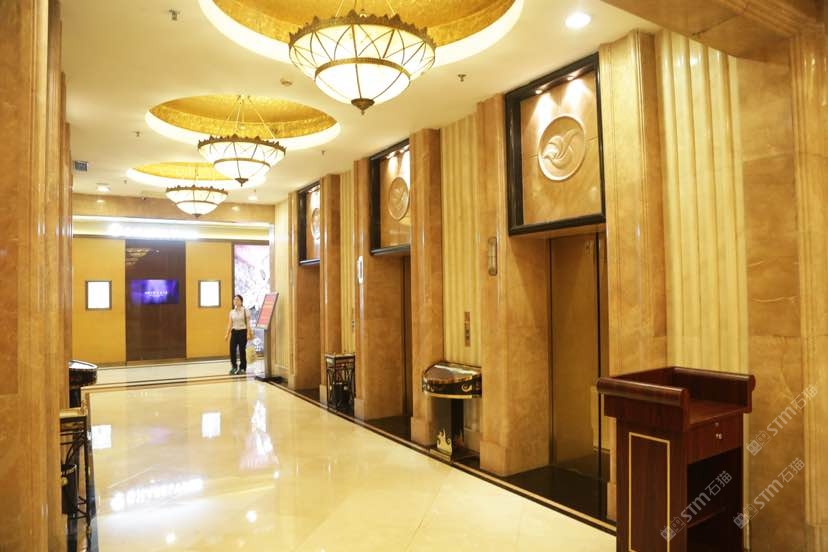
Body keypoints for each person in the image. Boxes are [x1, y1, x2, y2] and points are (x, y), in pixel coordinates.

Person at [225, 294, 252, 375]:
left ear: (241, 301)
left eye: (237, 299)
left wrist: (248, 333)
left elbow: (248, 324)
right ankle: (234, 367)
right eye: (234, 300)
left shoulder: (245, 311)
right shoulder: (232, 312)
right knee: (232, 349)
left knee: (242, 350)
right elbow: (230, 324)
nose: (235, 301)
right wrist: (227, 334)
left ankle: (242, 368)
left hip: (243, 332)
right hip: (234, 332)